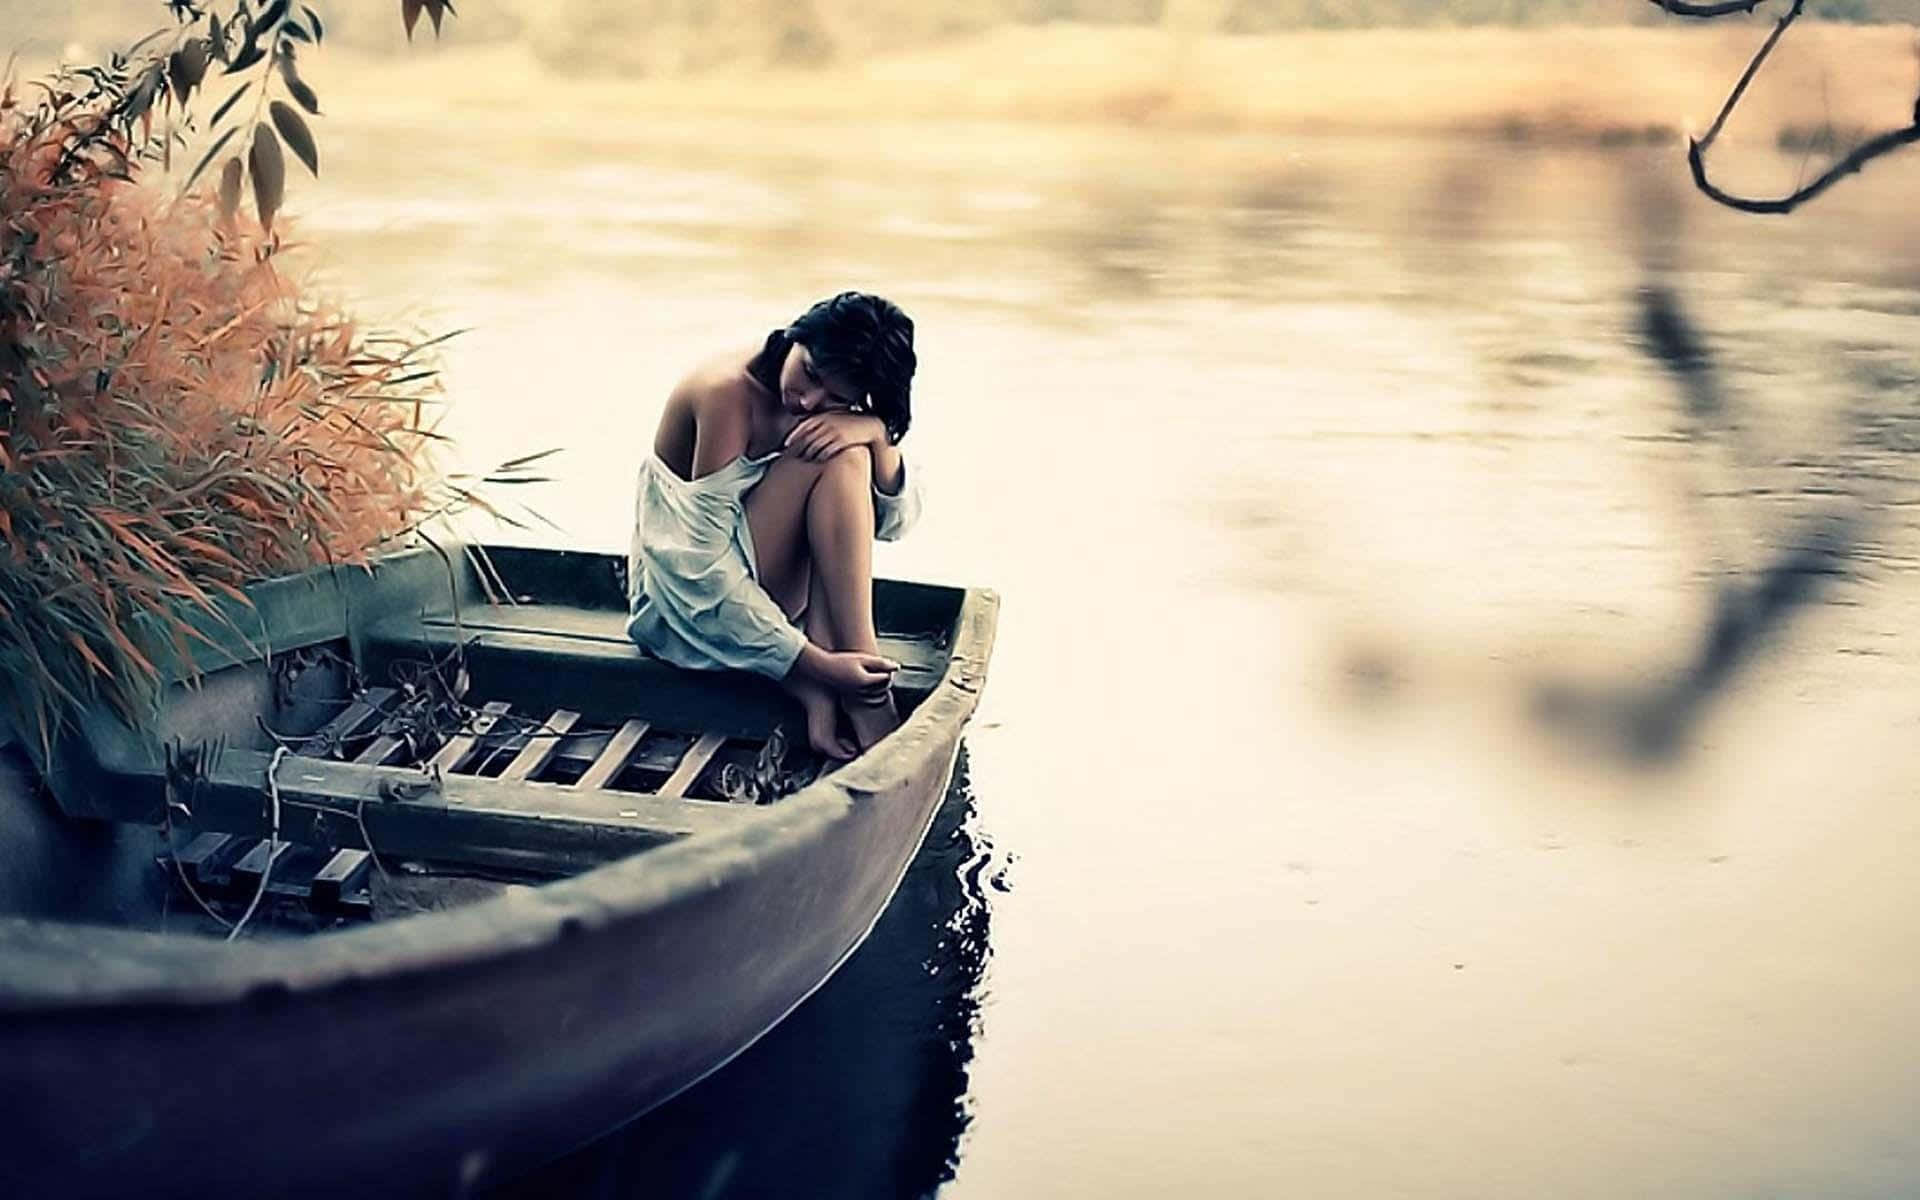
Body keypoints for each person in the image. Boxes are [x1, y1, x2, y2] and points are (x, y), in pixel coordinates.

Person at [626, 292, 923, 760]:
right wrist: (817, 667)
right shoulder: (726, 394)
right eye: (809, 373)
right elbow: (702, 571)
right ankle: (864, 689)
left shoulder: (837, 407)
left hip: (769, 604)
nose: (808, 400)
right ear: (797, 334)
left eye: (837, 397)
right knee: (836, 457)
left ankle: (853, 678)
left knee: (848, 455)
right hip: (685, 608)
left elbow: (895, 524)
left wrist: (874, 432)